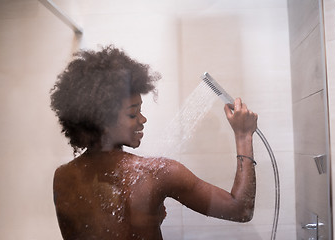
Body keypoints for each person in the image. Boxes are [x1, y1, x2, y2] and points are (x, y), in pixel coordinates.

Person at [50, 45, 257, 240]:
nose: (142, 119)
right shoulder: (156, 173)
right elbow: (240, 209)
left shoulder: (63, 177)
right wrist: (243, 135)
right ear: (103, 121)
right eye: (133, 114)